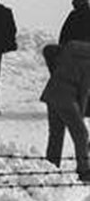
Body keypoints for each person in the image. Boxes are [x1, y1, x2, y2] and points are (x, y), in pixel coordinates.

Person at [41, 40, 90, 181]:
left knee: (56, 133)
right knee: (81, 134)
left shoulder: (73, 47)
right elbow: (84, 91)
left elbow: (49, 49)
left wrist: (55, 71)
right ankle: (84, 170)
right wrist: (80, 115)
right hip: (67, 98)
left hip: (51, 92)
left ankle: (50, 165)